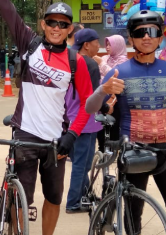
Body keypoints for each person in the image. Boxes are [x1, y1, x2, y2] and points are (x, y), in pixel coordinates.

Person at [0, 0, 94, 235]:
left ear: (69, 30)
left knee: (53, 197)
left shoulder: (77, 62)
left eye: (62, 24)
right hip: (25, 135)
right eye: (51, 22)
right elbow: (7, 8)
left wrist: (72, 135)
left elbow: (88, 104)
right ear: (43, 24)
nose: (56, 27)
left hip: (56, 140)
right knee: (21, 197)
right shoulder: (30, 43)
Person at [86, 10, 166, 235]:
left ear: (160, 36)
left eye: (152, 31)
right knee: (133, 214)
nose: (146, 37)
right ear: (131, 39)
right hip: (133, 151)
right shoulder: (119, 71)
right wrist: (102, 90)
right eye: (140, 32)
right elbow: (90, 108)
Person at [65, 29, 105, 214]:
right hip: (86, 120)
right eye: (97, 42)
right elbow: (94, 96)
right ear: (87, 45)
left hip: (70, 118)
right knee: (83, 163)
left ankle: (84, 194)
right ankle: (73, 201)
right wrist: (106, 107)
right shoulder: (89, 63)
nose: (99, 46)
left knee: (80, 161)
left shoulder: (69, 59)